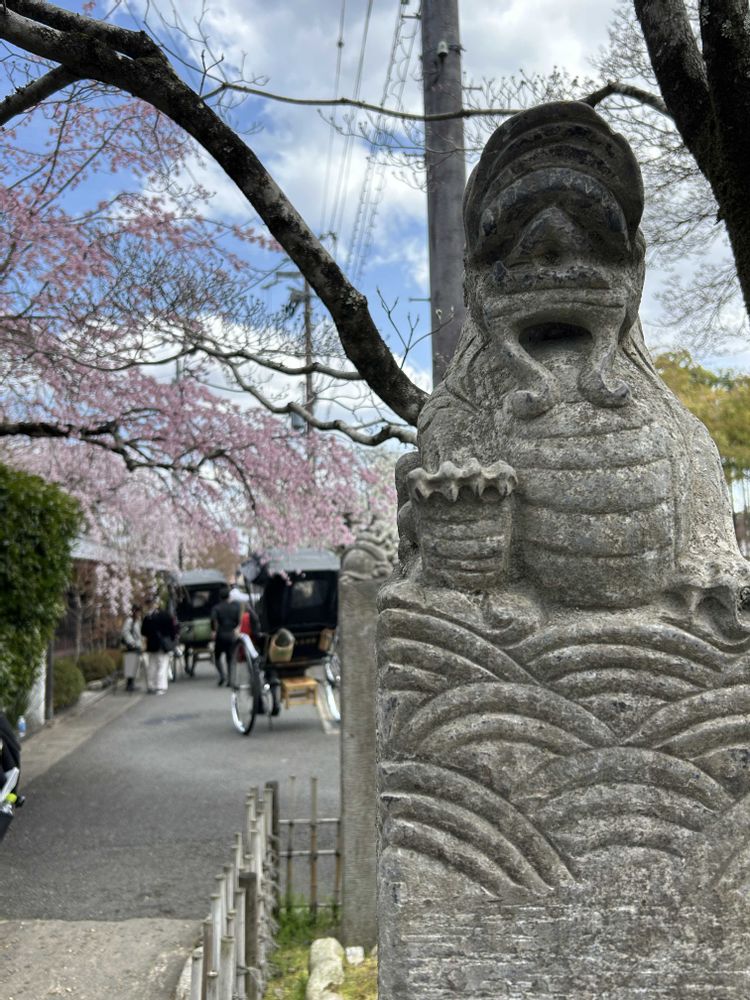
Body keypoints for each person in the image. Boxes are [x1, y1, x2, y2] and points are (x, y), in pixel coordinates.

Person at [140, 598, 178, 695]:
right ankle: (160, 686)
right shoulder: (165, 615)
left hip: (151, 644)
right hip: (163, 644)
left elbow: (143, 632)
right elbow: (172, 629)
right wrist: (172, 639)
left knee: (152, 665)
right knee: (162, 665)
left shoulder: (147, 617)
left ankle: (151, 685)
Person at [210, 584, 241, 686]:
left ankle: (222, 675)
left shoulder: (216, 608)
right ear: (229, 596)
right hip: (231, 634)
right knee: (230, 658)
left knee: (217, 656)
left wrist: (213, 631)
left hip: (220, 634)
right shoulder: (235, 607)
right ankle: (230, 680)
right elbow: (238, 621)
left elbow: (213, 620)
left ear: (220, 597)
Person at [120, 604, 143, 693]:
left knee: (135, 665)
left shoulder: (138, 621)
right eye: (137, 611)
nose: (139, 613)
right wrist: (131, 642)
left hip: (137, 645)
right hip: (131, 646)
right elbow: (125, 632)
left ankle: (132, 683)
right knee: (130, 664)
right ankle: (129, 685)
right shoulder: (130, 621)